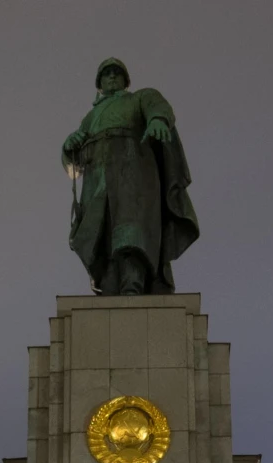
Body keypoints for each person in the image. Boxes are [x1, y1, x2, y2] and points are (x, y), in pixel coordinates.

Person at [63, 59, 198, 295]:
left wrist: (157, 119)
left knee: (130, 230)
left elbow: (158, 106)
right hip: (98, 178)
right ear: (100, 83)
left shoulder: (139, 98)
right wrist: (68, 146)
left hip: (133, 169)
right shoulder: (90, 117)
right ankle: (109, 284)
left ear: (126, 80)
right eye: (107, 74)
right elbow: (74, 164)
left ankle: (132, 284)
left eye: (117, 73)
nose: (112, 77)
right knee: (100, 234)